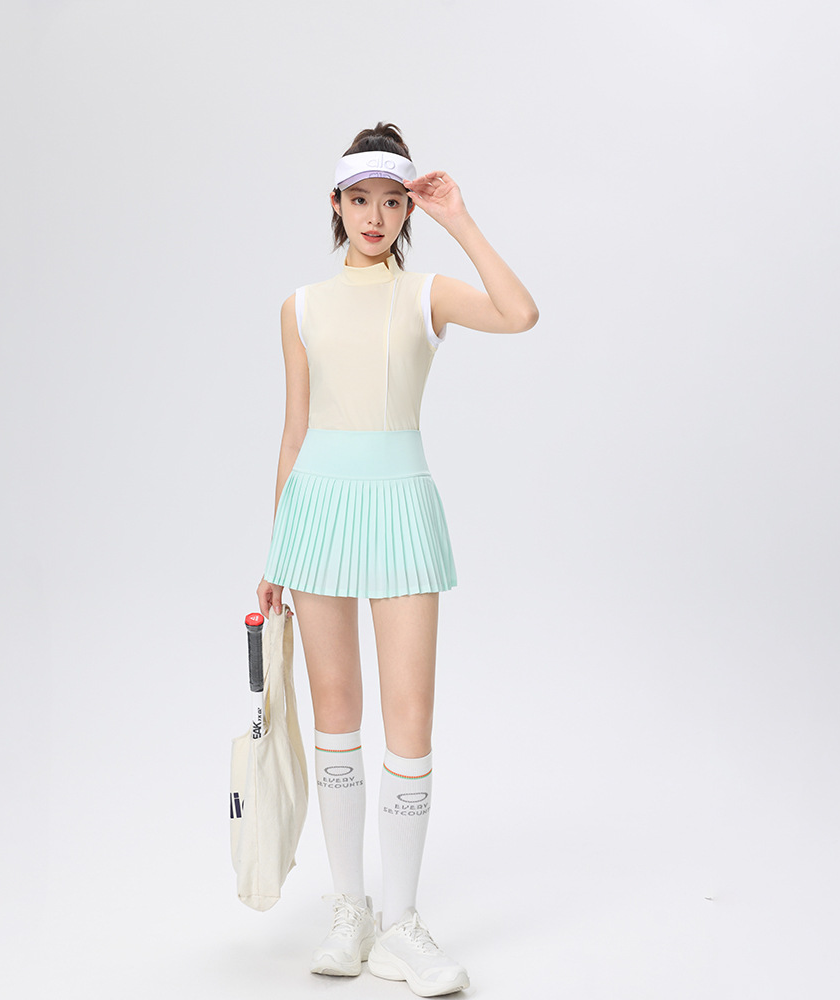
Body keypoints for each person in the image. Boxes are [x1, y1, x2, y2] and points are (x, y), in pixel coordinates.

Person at [256, 122, 538, 998]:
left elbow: (520, 313)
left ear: (406, 210)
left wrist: (460, 218)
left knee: (410, 719)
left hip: (403, 509)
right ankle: (352, 910)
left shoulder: (425, 295)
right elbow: (294, 431)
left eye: (390, 201)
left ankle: (402, 924)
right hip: (317, 513)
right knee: (335, 713)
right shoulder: (300, 306)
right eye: (360, 199)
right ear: (336, 205)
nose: (374, 216)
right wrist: (275, 547)